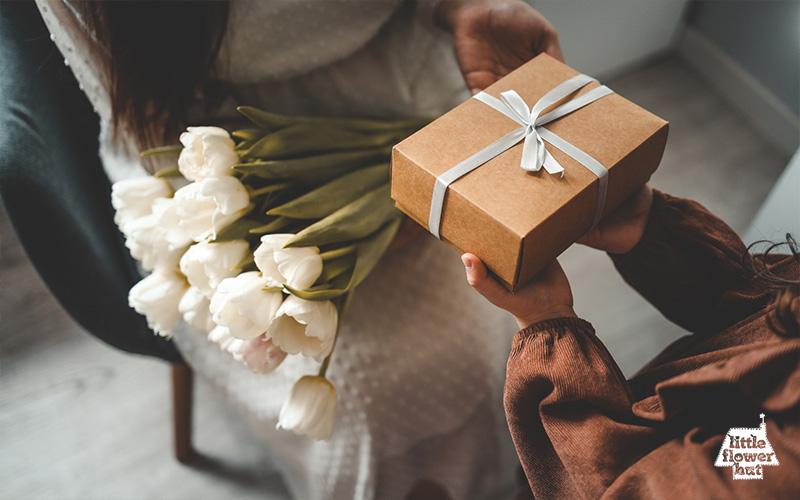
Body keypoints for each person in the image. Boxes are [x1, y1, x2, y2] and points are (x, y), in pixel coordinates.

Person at [35, 1, 563, 498]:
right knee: (369, 398)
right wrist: (324, 228)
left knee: (487, 334)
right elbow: (135, 100)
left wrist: (465, 5)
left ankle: (501, 472)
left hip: (421, 103)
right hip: (212, 135)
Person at [462, 184, 800, 499]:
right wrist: (649, 231)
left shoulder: (782, 459)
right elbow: (762, 320)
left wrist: (547, 321)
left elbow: (635, 484)